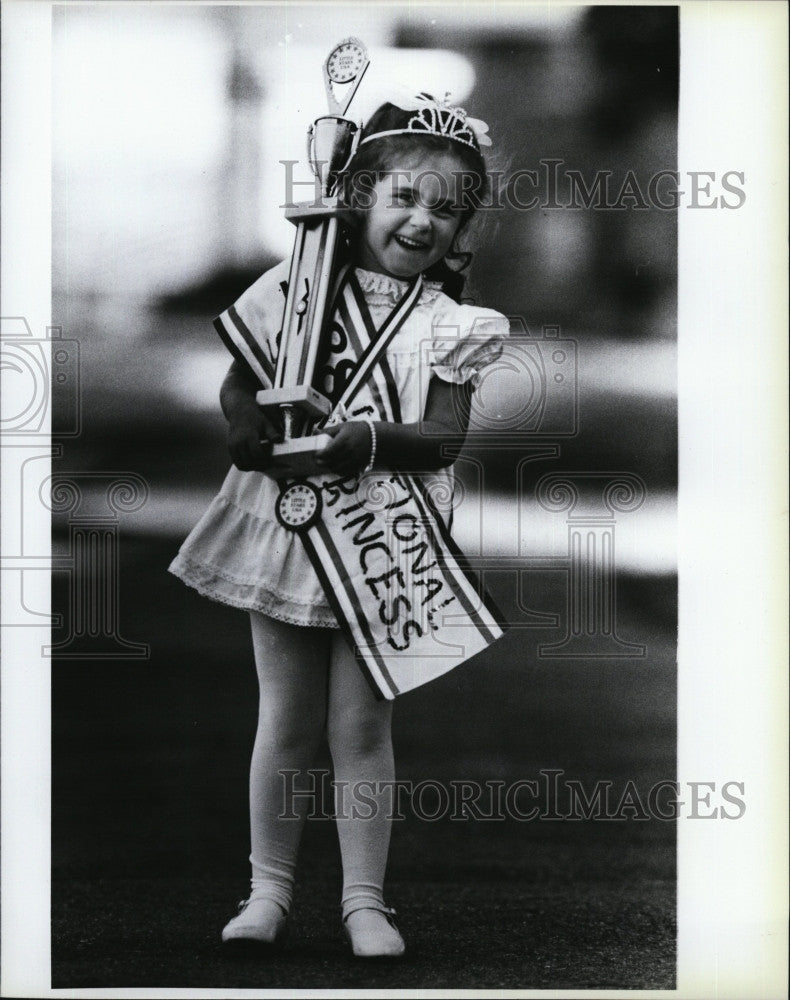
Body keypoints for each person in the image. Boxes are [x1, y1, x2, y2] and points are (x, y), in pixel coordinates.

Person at [168, 96, 509, 958]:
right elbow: (245, 379)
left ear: (463, 227)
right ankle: (267, 894)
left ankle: (366, 904)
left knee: (360, 728)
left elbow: (440, 439)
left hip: (383, 539)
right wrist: (241, 424)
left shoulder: (451, 325)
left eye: (444, 207)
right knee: (282, 718)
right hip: (288, 525)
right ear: (359, 196)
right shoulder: (300, 284)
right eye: (404, 196)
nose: (420, 218)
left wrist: (365, 441)